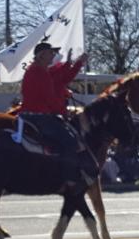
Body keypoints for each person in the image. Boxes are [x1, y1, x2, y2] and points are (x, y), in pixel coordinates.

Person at [18, 42, 88, 191]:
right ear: (41, 55)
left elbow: (60, 79)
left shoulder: (37, 71)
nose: (53, 55)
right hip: (39, 116)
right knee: (69, 141)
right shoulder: (40, 73)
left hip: (31, 114)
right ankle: (69, 180)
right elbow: (50, 98)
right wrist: (63, 112)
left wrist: (74, 64)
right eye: (51, 53)